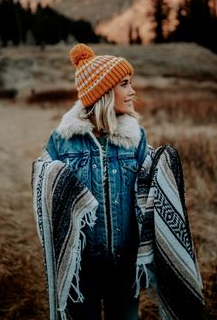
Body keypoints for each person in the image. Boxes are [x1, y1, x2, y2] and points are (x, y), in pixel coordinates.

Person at [32, 43, 204, 320]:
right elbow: (44, 192)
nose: (132, 91)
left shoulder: (135, 140)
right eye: (124, 84)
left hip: (125, 266)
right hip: (80, 267)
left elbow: (150, 194)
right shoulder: (61, 142)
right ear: (102, 92)